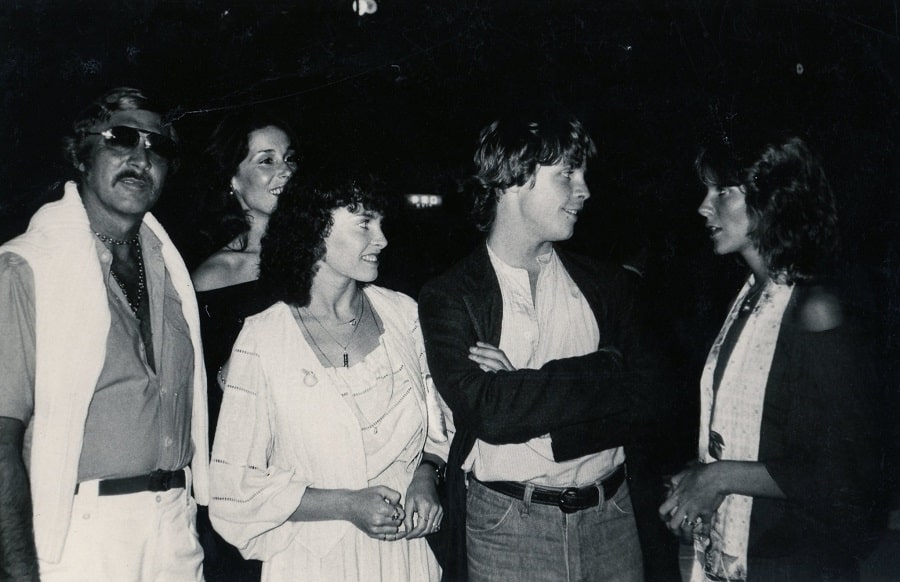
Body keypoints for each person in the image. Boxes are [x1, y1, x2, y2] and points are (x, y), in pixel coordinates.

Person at [418, 113, 671, 581]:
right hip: (507, 528)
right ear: (513, 177)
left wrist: (520, 389)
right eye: (567, 174)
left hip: (612, 519)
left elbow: (652, 397)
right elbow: (487, 414)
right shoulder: (450, 296)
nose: (585, 190)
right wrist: (603, 371)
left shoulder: (609, 286)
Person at [0, 87, 208, 580]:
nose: (142, 157)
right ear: (83, 153)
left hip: (176, 530)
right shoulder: (26, 269)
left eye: (158, 147)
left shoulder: (172, 272)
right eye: (122, 138)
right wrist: (16, 570)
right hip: (77, 537)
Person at [208, 172, 453, 581]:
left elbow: (439, 424)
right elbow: (232, 489)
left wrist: (427, 474)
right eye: (363, 223)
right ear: (315, 227)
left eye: (380, 222)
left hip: (404, 556)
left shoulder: (404, 314)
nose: (382, 239)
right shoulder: (263, 337)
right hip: (311, 560)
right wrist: (345, 504)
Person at [659, 131, 882, 580]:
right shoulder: (749, 297)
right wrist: (697, 480)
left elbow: (844, 472)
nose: (705, 206)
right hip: (753, 556)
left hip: (798, 563)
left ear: (772, 198)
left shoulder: (814, 308)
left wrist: (720, 478)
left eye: (723, 190)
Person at [191, 111, 299, 581]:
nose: (284, 172)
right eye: (266, 160)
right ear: (234, 180)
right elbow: (199, 386)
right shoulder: (214, 274)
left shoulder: (332, 259)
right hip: (247, 472)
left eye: (290, 159)